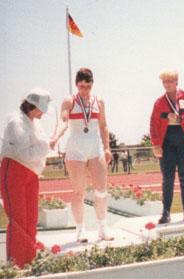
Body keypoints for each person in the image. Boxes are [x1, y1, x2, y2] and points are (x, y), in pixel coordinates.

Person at [50, 68, 113, 242]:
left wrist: (107, 147)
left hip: (95, 148)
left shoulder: (98, 101)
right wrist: (56, 136)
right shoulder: (69, 101)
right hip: (75, 149)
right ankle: (80, 230)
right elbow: (63, 121)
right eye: (81, 86)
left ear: (92, 84)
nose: (84, 90)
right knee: (79, 192)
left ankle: (102, 228)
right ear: (77, 84)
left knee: (101, 190)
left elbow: (103, 125)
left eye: (88, 86)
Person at [0, 89, 51, 267]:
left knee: (31, 220)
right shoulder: (15, 122)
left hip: (31, 174)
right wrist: (44, 147)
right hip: (14, 170)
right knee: (18, 220)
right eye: (42, 109)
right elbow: (25, 153)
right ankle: (15, 264)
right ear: (34, 106)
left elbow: (40, 149)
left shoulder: (35, 123)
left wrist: (42, 147)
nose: (43, 113)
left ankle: (29, 261)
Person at [150, 70, 184, 224]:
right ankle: (166, 212)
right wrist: (156, 144)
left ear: (176, 82)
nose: (167, 84)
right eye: (165, 82)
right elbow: (153, 123)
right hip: (167, 144)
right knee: (167, 179)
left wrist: (182, 118)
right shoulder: (159, 102)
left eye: (170, 81)